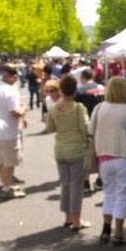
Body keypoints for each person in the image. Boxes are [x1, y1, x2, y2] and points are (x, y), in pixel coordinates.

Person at [90, 77, 126, 245]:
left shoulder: (99, 108)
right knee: (123, 195)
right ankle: (118, 233)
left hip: (104, 156)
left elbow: (91, 129)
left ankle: (106, 228)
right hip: (125, 156)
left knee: (109, 193)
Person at [44, 74, 91, 231]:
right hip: (76, 150)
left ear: (61, 89)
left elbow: (50, 128)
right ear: (74, 89)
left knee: (65, 184)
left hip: (60, 149)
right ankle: (77, 220)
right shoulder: (78, 108)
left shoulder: (54, 107)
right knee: (76, 186)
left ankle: (68, 217)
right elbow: (86, 128)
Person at [0, 63, 28, 199]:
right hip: (8, 130)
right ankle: (7, 187)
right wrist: (24, 108)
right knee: (10, 162)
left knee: (1, 160)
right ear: (12, 76)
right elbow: (15, 113)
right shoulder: (10, 91)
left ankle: (3, 183)